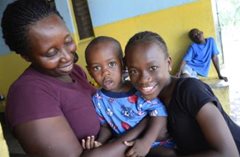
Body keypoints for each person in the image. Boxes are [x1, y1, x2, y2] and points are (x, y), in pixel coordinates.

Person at [1, 1, 154, 156]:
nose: (68, 57)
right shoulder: (27, 94)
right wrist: (145, 126)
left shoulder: (75, 72)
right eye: (51, 53)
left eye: (68, 41)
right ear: (26, 56)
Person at [124, 31, 240, 156]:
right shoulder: (144, 102)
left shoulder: (189, 90)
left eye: (152, 68)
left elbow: (229, 154)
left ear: (168, 63)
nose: (143, 79)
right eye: (134, 71)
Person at [84, 36, 174, 156]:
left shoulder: (138, 90)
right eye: (96, 68)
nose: (105, 72)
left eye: (111, 64)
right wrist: (99, 142)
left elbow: (159, 113)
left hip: (153, 143)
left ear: (123, 64)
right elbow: (106, 127)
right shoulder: (98, 100)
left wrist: (146, 142)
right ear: (89, 71)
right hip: (126, 147)